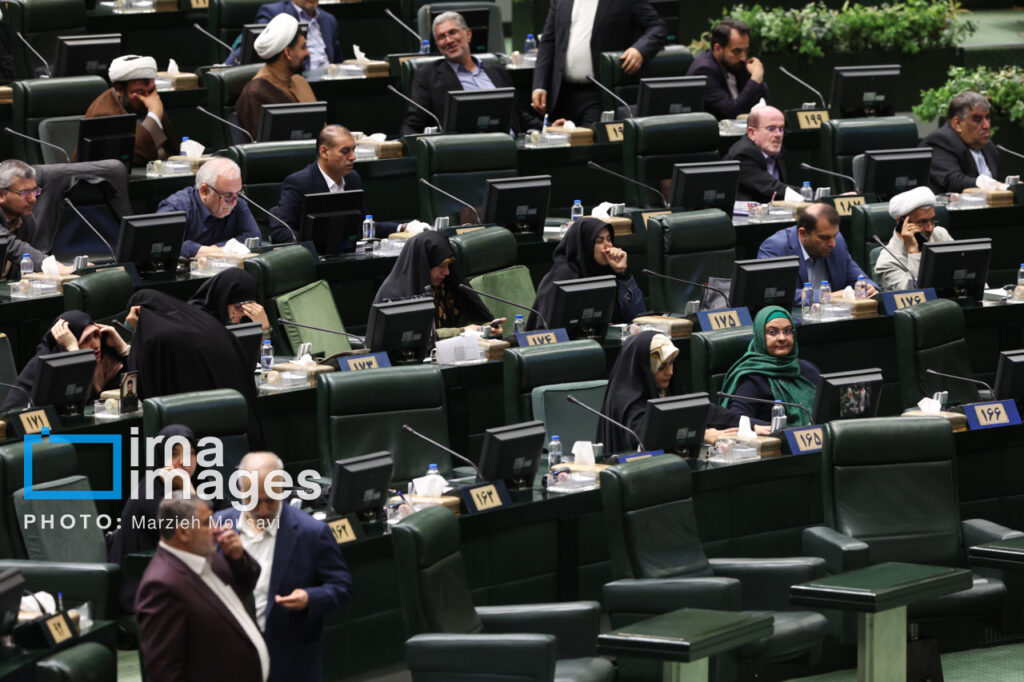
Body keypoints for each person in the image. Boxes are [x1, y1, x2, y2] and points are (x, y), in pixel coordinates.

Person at [214, 452, 353, 682]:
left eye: (270, 500)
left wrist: (309, 598)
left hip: (290, 662)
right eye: (253, 500)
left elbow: (342, 587)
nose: (262, 510)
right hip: (231, 660)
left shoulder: (312, 533)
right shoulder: (218, 525)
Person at [135, 493, 270, 682]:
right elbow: (163, 672)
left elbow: (246, 588)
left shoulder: (207, 555)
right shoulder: (161, 586)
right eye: (207, 523)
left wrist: (238, 559)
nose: (217, 529)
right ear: (183, 532)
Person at [125, 287, 264, 450]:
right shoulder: (210, 324)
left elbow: (137, 387)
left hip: (190, 442)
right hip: (240, 431)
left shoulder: (155, 337)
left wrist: (137, 329)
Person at [599, 330, 753, 454]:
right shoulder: (626, 399)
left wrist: (749, 425)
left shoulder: (664, 387)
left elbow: (702, 412)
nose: (670, 372)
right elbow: (646, 436)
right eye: (662, 367)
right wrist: (702, 434)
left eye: (671, 363)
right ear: (644, 368)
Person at [400, 12, 542, 136]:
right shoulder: (428, 76)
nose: (448, 40)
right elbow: (413, 124)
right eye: (441, 37)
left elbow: (518, 116)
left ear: (468, 34)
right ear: (437, 44)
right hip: (466, 150)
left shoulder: (496, 70)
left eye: (453, 32)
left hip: (509, 146)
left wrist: (548, 128)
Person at [107, 424, 199, 613]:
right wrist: (188, 489)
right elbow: (194, 532)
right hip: (141, 593)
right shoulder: (149, 495)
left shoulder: (199, 482)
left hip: (173, 580)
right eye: (174, 454)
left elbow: (226, 519)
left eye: (190, 453)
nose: (184, 461)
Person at [531, 0, 666, 126]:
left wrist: (639, 50)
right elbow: (548, 41)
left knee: (589, 142)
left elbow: (657, 27)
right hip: (562, 93)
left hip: (599, 93)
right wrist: (539, 85)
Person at [269, 125, 400, 243]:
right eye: (345, 151)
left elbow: (363, 224)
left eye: (353, 150)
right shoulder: (299, 183)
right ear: (324, 152)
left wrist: (401, 228)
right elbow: (280, 232)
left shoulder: (352, 179)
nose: (353, 157)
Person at [372, 231, 500, 339]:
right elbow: (417, 336)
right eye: (441, 266)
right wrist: (461, 331)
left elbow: (465, 319)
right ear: (424, 265)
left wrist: (487, 328)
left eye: (449, 265)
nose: (447, 272)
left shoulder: (443, 285)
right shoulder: (393, 294)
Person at [527, 217, 644, 330]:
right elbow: (547, 328)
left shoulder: (611, 271)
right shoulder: (562, 276)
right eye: (599, 241)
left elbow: (638, 317)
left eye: (609, 239)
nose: (608, 246)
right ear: (584, 245)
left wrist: (623, 274)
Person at [0, 311, 129, 412]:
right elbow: (72, 408)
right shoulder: (45, 366)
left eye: (96, 335)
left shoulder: (106, 360)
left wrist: (123, 350)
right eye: (86, 339)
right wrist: (75, 353)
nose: (96, 345)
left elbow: (133, 389)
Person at [719, 306, 820, 426]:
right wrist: (772, 428)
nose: (782, 338)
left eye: (787, 331)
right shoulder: (753, 378)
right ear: (761, 336)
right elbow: (737, 418)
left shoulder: (809, 369)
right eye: (772, 332)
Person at [758, 202, 878, 301]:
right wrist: (826, 296)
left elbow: (860, 278)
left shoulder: (838, 242)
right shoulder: (775, 248)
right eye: (824, 238)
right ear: (803, 233)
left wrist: (869, 288)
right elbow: (771, 292)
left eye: (834, 236)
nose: (832, 244)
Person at [157, 157, 260, 259]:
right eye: (227, 195)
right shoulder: (176, 207)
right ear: (204, 191)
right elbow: (162, 244)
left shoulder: (237, 202)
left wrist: (215, 249)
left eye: (238, 193)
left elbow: (254, 237)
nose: (234, 202)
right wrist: (202, 250)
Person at [235, 14, 316, 140]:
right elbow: (262, 146)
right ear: (288, 53)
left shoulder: (300, 81)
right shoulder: (255, 92)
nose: (307, 53)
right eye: (303, 47)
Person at [83, 55, 176, 166]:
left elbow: (172, 150)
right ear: (119, 89)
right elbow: (135, 156)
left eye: (151, 91)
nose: (147, 99)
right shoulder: (103, 114)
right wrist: (154, 116)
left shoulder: (150, 101)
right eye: (140, 92)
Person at [921, 90, 1004, 194]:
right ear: (957, 124)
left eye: (987, 118)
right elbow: (954, 181)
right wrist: (996, 186)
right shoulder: (940, 141)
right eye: (977, 119)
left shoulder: (988, 146)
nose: (986, 125)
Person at [0, 160, 73, 276]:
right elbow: (12, 246)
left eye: (35, 191)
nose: (33, 198)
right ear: (1, 195)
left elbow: (23, 262)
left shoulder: (27, 222)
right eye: (24, 193)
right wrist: (55, 267)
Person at [874, 186, 953, 292]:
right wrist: (913, 250)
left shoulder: (940, 235)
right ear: (902, 223)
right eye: (922, 222)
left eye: (932, 220)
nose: (930, 228)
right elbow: (916, 293)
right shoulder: (887, 262)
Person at [687, 19, 767, 120]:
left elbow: (760, 99)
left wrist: (757, 80)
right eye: (737, 51)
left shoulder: (738, 63)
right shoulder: (703, 71)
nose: (743, 57)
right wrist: (755, 79)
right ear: (717, 49)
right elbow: (732, 113)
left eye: (746, 50)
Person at [227, 0, 341, 71]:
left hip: (328, 83)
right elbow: (254, 45)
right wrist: (227, 66)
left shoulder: (329, 19)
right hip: (296, 81)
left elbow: (337, 59)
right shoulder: (274, 12)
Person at [725, 105, 802, 203]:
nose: (778, 134)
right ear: (752, 133)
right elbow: (772, 188)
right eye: (771, 128)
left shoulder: (779, 151)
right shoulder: (743, 154)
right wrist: (808, 194)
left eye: (781, 129)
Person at [189, 268, 271, 338]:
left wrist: (264, 330)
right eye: (238, 307)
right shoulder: (198, 319)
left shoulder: (245, 317)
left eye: (249, 306)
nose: (244, 313)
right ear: (223, 299)